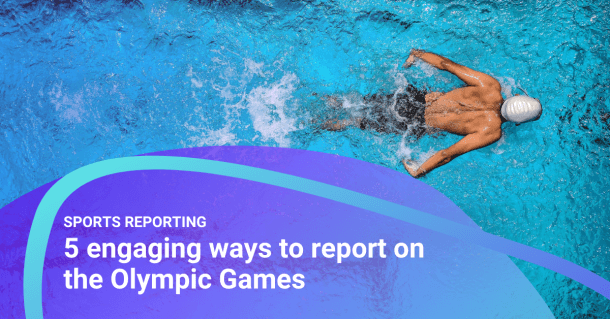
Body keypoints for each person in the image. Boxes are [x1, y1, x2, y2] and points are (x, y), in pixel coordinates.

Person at [324, 49, 543, 178]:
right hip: (414, 123)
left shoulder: (490, 86)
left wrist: (417, 54)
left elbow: (447, 64)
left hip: (412, 98)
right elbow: (447, 154)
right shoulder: (491, 131)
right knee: (354, 122)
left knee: (356, 102)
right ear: (518, 122)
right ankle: (313, 123)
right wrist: (420, 170)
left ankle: (323, 99)